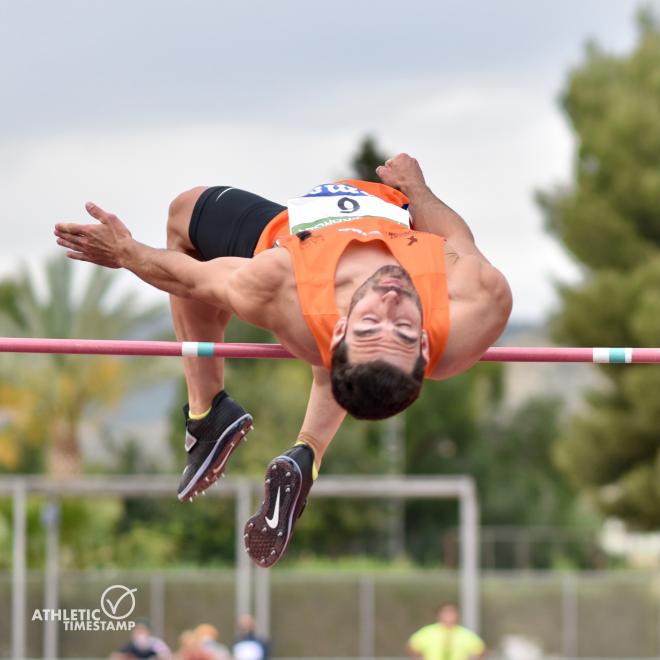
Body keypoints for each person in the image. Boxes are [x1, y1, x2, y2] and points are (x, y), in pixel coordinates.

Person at [55, 154, 511, 566]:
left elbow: (196, 279)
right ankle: (306, 452)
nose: (391, 306)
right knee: (350, 363)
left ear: (340, 330)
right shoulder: (475, 299)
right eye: (405, 330)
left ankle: (206, 410)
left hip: (300, 235)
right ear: (427, 345)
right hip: (392, 213)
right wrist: (417, 190)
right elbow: (455, 236)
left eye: (371, 326)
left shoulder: (280, 284)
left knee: (183, 214)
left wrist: (128, 253)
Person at [407, 603, 486, 660]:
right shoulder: (428, 632)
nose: (449, 616)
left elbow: (480, 651)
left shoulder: (465, 634)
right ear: (439, 614)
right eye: (446, 613)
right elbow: (412, 647)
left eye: (451, 613)